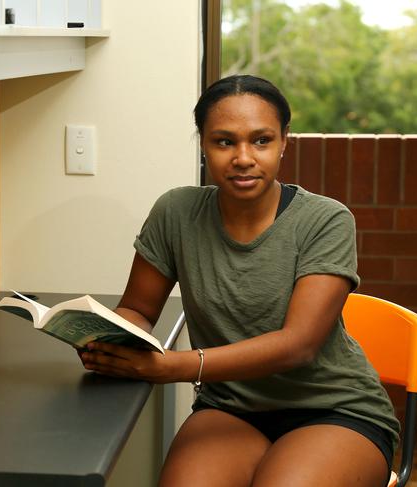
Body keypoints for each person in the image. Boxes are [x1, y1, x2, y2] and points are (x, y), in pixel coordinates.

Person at [80, 75, 399, 487]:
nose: (244, 157)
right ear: (203, 144)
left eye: (261, 140)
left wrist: (174, 367)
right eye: (225, 141)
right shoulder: (175, 212)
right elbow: (138, 309)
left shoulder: (325, 220)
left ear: (285, 141)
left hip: (335, 410)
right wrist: (111, 341)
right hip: (230, 406)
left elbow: (298, 345)